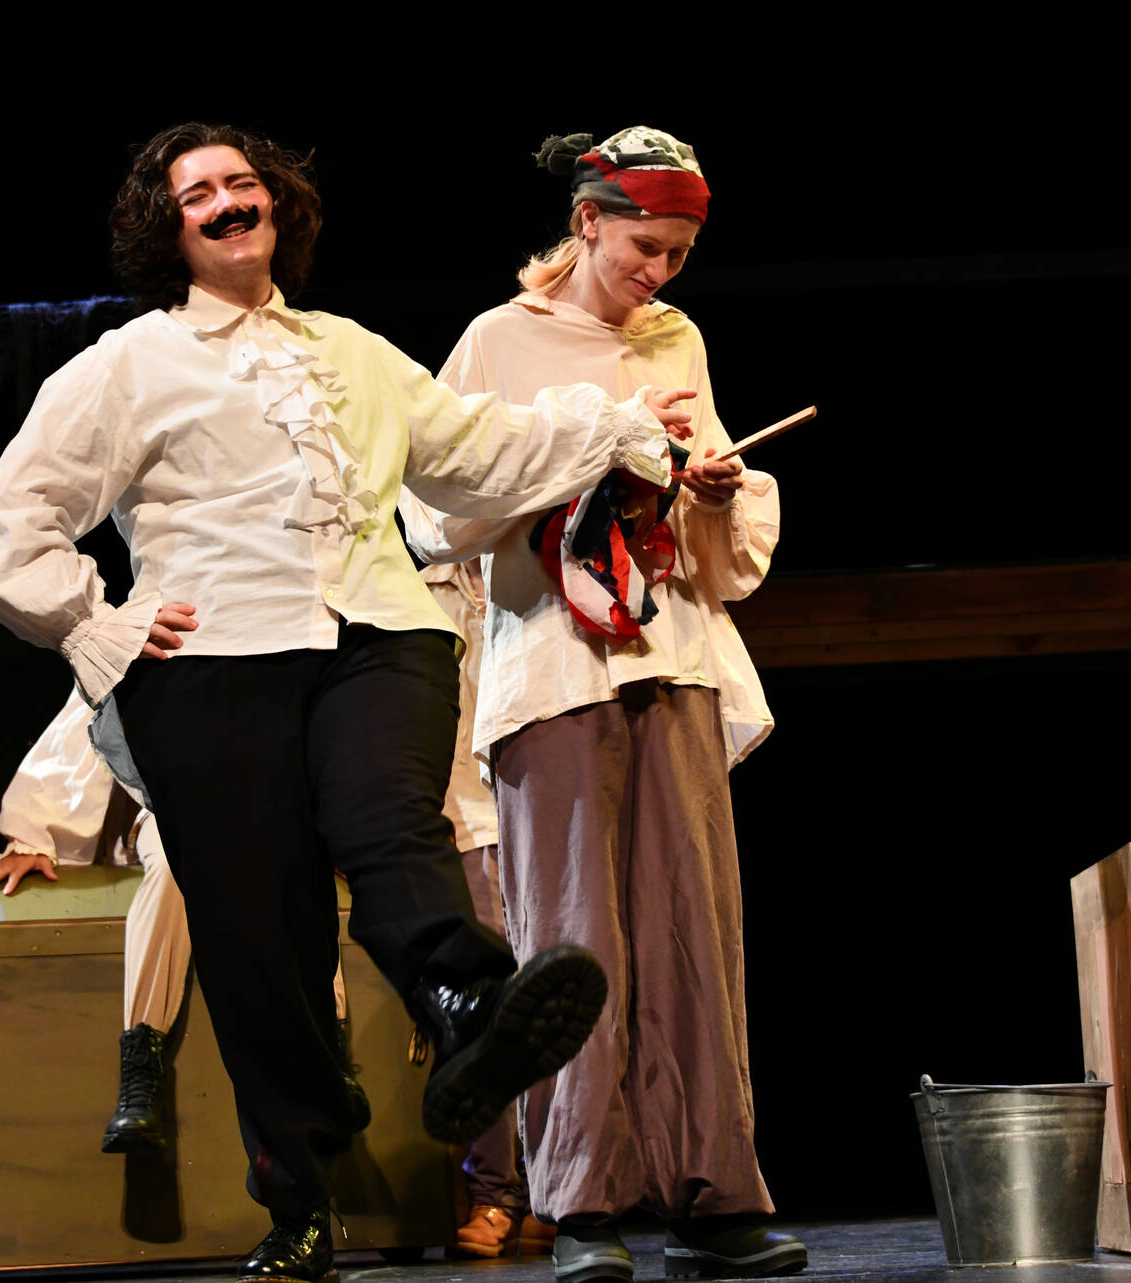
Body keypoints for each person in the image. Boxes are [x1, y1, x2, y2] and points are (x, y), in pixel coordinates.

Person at [0, 122, 697, 1283]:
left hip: (378, 631)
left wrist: (613, 422)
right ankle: (297, 1190)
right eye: (197, 194)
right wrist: (92, 622)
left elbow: (471, 452)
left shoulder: (351, 350)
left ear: (277, 206)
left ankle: (468, 1001)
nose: (226, 201)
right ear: (167, 229)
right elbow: (9, 521)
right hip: (210, 658)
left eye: (241, 182)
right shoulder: (125, 364)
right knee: (260, 930)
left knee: (388, 819)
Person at [402, 127, 801, 1283]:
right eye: (643, 247)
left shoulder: (676, 337)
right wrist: (589, 446)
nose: (658, 272)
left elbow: (713, 543)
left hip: (672, 654)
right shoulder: (496, 340)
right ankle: (582, 1202)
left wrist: (706, 485)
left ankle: (713, 1193)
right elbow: (433, 512)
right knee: (569, 942)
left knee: (692, 933)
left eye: (678, 253)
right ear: (586, 223)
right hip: (554, 665)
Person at [0, 695, 369, 1153]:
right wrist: (31, 835)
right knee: (173, 862)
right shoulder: (154, 649)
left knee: (296, 856)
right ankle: (140, 1070)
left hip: (266, 803)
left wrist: (348, 826)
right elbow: (87, 714)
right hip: (169, 804)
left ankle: (329, 1054)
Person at [419, 560, 553, 1260]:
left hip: (542, 811)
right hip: (467, 822)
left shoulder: (534, 569)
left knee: (557, 1004)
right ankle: (495, 1191)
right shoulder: (419, 593)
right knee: (487, 1010)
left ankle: (557, 1188)